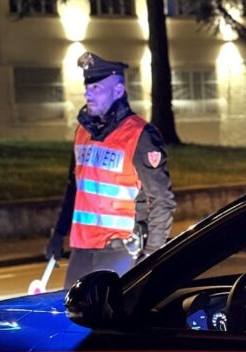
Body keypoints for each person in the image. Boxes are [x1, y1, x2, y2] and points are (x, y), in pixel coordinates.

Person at [46, 52, 176, 287]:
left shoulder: (140, 135)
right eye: (87, 88)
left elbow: (162, 201)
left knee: (113, 312)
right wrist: (59, 233)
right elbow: (74, 188)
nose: (88, 94)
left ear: (118, 91)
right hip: (82, 251)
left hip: (120, 252)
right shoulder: (82, 133)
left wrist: (150, 257)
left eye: (96, 88)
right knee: (70, 311)